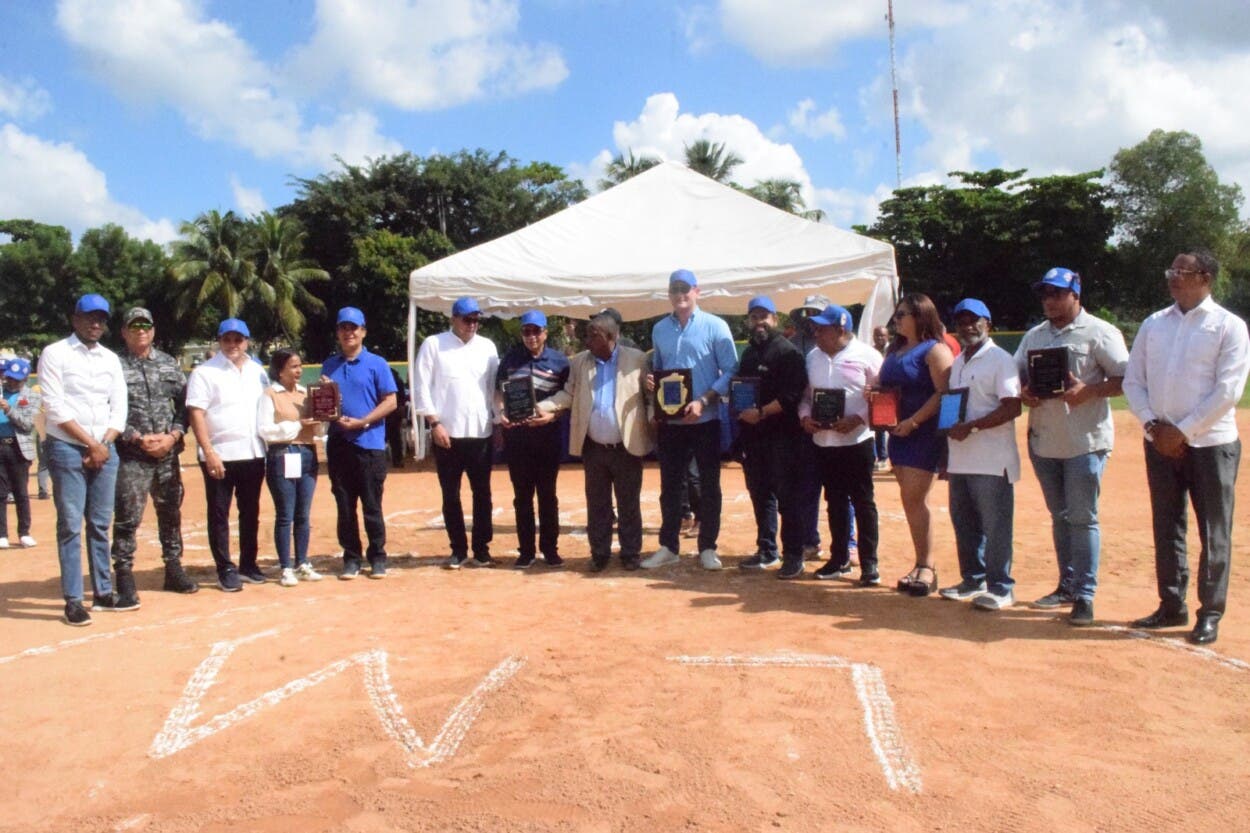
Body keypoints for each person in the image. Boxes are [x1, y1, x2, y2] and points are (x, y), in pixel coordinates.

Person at [1124, 250, 1250, 645]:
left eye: (1183, 271)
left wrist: (1182, 432)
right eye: (1171, 270)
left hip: (1211, 444)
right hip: (1159, 441)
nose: (1173, 277)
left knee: (1214, 530)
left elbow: (1228, 390)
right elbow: (1133, 381)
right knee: (1167, 525)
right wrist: (1152, 425)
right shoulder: (1153, 324)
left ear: (1206, 277)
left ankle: (1210, 612)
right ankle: (1171, 604)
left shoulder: (1228, 326)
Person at [1015, 268, 1129, 626]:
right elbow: (1016, 375)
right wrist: (1023, 391)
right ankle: (1066, 586)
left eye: (1056, 293)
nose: (1049, 300)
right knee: (1060, 516)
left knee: (1082, 518)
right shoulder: (1034, 335)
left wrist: (1090, 391)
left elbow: (1126, 378)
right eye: (1044, 294)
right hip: (1045, 441)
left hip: (1085, 442)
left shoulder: (1100, 332)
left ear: (1075, 295)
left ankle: (1084, 595)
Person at [39, 293, 127, 625]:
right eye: (89, 317)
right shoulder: (55, 353)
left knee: (101, 524)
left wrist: (104, 443)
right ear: (75, 319)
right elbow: (55, 407)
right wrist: (92, 444)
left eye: (101, 319)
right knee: (70, 525)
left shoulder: (110, 359)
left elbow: (119, 406)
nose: (95, 323)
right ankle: (74, 599)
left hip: (105, 447)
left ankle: (103, 591)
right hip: (67, 448)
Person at [641, 269, 738, 570]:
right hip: (671, 424)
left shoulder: (716, 326)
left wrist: (704, 400)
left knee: (709, 486)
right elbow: (660, 370)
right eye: (675, 289)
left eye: (685, 289)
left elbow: (731, 370)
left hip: (705, 420)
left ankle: (707, 547)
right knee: (670, 487)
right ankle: (669, 546)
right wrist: (652, 383)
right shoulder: (659, 329)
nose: (680, 294)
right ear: (669, 294)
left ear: (697, 291)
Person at [542, 313, 653, 570]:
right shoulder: (580, 362)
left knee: (628, 503)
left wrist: (653, 420)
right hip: (593, 447)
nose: (588, 340)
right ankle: (599, 554)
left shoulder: (637, 360)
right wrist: (542, 406)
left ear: (611, 337)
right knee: (597, 504)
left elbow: (650, 397)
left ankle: (630, 554)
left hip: (626, 446)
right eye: (587, 335)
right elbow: (568, 394)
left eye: (594, 335)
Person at [937, 299, 1022, 611]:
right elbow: (952, 407)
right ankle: (973, 580)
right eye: (961, 321)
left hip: (992, 460)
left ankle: (1001, 587)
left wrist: (971, 427)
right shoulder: (959, 361)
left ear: (988, 323)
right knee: (964, 523)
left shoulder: (1001, 360)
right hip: (961, 457)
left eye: (975, 320)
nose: (968, 326)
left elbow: (1012, 407)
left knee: (996, 527)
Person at [111, 307, 198, 603]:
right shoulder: (114, 366)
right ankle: (124, 575)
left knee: (170, 513)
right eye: (134, 326)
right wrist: (135, 437)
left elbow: (185, 406)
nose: (141, 331)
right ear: (124, 332)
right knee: (127, 517)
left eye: (145, 326)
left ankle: (173, 569)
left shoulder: (168, 364)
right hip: (131, 455)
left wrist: (173, 436)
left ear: (153, 331)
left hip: (167, 454)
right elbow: (106, 408)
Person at [798, 305, 883, 585]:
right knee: (834, 502)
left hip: (857, 441)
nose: (816, 333)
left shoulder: (868, 356)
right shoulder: (812, 357)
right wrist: (805, 417)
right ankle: (839, 559)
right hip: (824, 442)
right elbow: (805, 397)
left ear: (841, 329)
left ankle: (869, 563)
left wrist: (859, 419)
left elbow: (884, 397)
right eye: (815, 328)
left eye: (822, 329)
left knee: (863, 502)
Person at [877, 293, 954, 596]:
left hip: (923, 433)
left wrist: (914, 421)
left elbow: (944, 393)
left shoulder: (935, 350)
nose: (896, 320)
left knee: (914, 498)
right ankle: (920, 562)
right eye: (895, 315)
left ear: (920, 316)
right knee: (909, 500)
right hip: (898, 433)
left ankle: (927, 566)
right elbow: (887, 387)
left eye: (902, 315)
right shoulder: (895, 350)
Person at [414, 297, 500, 569]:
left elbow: (494, 388)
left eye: (476, 320)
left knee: (482, 494)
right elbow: (421, 386)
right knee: (451, 494)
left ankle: (482, 549)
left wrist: (498, 421)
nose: (471, 324)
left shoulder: (488, 347)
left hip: (480, 432)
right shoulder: (434, 344)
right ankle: (458, 549)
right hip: (447, 433)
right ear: (453, 319)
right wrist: (434, 423)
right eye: (467, 319)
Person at [186, 318, 270, 591]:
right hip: (220, 454)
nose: (233, 344)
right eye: (227, 339)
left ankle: (248, 564)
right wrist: (208, 452)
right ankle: (225, 568)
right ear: (219, 341)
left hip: (253, 452)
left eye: (238, 339)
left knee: (250, 511)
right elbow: (196, 413)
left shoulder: (257, 371)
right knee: (219, 514)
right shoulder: (205, 372)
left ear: (247, 341)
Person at [321, 307, 398, 579]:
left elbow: (391, 401)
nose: (348, 333)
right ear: (338, 332)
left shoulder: (377, 363)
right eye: (343, 328)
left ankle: (377, 556)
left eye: (353, 328)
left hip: (369, 443)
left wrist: (363, 421)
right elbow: (324, 405)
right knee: (344, 506)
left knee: (372, 504)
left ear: (363, 331)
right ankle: (351, 558)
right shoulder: (329, 366)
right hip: (339, 443)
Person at [733, 296, 808, 576]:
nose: (759, 322)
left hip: (783, 437)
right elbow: (741, 390)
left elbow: (792, 395)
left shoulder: (788, 352)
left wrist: (762, 412)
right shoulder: (749, 354)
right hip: (754, 437)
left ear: (775, 319)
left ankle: (794, 555)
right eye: (754, 317)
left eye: (764, 316)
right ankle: (767, 550)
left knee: (788, 497)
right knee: (760, 494)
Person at [496, 310, 570, 568]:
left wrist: (552, 415)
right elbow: (499, 392)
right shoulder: (510, 359)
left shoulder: (560, 362)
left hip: (548, 438)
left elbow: (568, 398)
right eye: (526, 331)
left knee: (548, 496)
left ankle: (550, 549)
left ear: (545, 333)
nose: (531, 336)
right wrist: (501, 413)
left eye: (536, 331)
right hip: (518, 439)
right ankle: (526, 551)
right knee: (522, 497)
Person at [259, 349, 325, 587]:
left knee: (303, 514)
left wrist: (323, 415)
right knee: (286, 514)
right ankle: (286, 566)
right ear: (280, 370)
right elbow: (265, 430)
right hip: (283, 453)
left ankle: (302, 562)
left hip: (307, 453)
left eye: (300, 366)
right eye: (293, 366)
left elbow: (318, 430)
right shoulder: (269, 395)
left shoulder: (306, 393)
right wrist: (297, 424)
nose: (299, 371)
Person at [788, 296, 831, 561]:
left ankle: (849, 543)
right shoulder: (792, 345)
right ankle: (809, 540)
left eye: (816, 313)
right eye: (807, 314)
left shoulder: (838, 345)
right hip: (802, 425)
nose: (811, 319)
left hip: (838, 426)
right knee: (806, 486)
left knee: (841, 489)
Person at [0, 358, 39, 549]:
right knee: (0, 493)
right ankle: (1, 534)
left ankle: (24, 532)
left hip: (18, 448)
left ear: (24, 379)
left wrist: (8, 409)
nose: (12, 382)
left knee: (21, 492)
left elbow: (27, 424)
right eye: (9, 378)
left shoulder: (32, 396)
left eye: (17, 379)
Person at [871, 325, 891, 470]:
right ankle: (881, 457)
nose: (879, 338)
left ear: (888, 336)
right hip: (877, 392)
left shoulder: (893, 351)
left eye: (882, 335)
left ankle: (894, 458)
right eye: (877, 335)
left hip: (892, 392)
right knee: (879, 427)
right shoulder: (870, 352)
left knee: (893, 426)